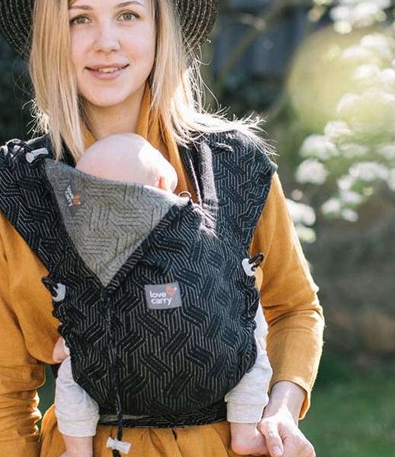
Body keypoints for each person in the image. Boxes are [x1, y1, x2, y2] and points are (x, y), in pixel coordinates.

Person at [0, 1, 324, 457]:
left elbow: (294, 308)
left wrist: (281, 407)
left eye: (128, 14)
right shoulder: (13, 189)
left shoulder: (233, 165)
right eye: (79, 18)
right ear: (51, 36)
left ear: (160, 27)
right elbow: (2, 391)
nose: (106, 42)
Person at [50, 133, 273, 457]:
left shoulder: (96, 252)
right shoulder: (202, 229)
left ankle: (77, 449)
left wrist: (66, 346)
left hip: (119, 380)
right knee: (253, 346)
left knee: (73, 377)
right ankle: (245, 431)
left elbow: (82, 311)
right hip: (212, 364)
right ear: (162, 183)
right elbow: (231, 282)